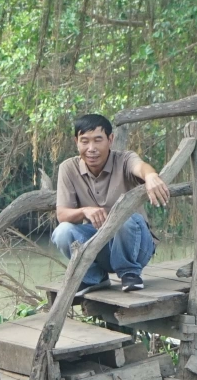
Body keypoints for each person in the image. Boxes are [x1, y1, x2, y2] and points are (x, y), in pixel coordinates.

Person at [51, 114, 171, 292]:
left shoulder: (124, 159)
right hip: (101, 245)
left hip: (137, 246)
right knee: (62, 232)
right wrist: (85, 211)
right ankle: (93, 277)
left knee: (126, 218)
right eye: (84, 141)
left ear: (110, 139)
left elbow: (140, 166)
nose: (91, 148)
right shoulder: (68, 168)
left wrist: (151, 175)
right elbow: (62, 214)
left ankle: (130, 273)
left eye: (98, 140)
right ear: (76, 141)